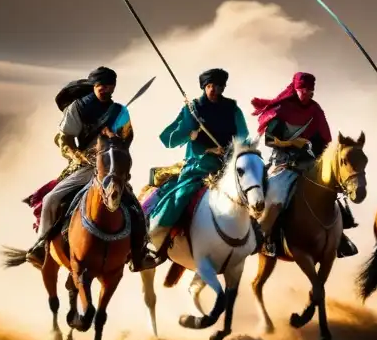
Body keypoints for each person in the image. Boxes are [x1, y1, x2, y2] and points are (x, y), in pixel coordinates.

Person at [25, 66, 160, 271]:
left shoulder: (120, 111)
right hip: (84, 166)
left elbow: (127, 137)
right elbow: (65, 139)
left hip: (110, 167)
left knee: (135, 207)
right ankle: (40, 246)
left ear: (113, 86)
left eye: (108, 85)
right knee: (51, 199)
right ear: (93, 86)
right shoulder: (78, 108)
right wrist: (80, 155)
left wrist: (113, 139)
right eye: (99, 85)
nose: (104, 89)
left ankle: (138, 253)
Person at [146, 68, 260, 262]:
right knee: (180, 196)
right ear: (204, 87)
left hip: (227, 167)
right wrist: (190, 135)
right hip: (198, 166)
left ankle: (259, 237)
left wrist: (236, 150)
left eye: (217, 86)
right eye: (209, 86)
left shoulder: (232, 109)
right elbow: (168, 139)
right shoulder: (193, 109)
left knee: (253, 189)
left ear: (223, 87)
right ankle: (158, 238)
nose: (213, 89)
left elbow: (242, 137)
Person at [250, 71, 358, 258]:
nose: (308, 94)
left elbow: (324, 142)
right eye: (304, 90)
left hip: (309, 164)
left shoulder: (316, 111)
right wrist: (292, 143)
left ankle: (340, 238)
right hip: (284, 164)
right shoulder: (281, 110)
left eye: (311, 91)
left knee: (331, 190)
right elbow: (269, 140)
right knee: (277, 197)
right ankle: (267, 239)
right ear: (296, 89)